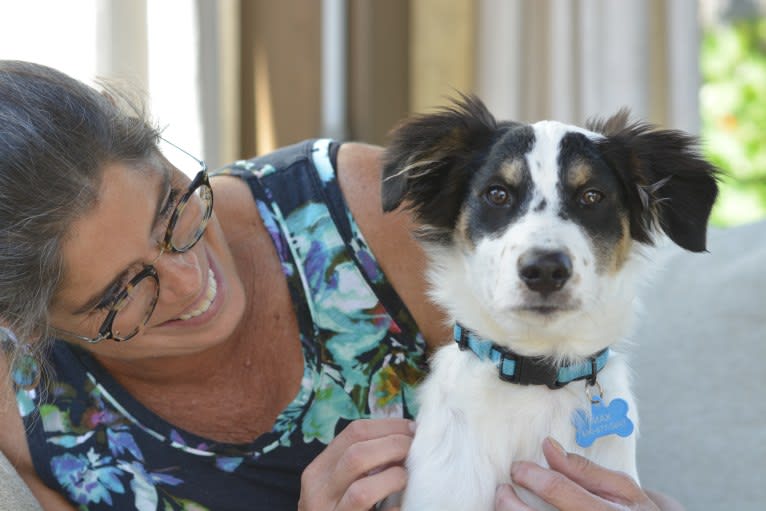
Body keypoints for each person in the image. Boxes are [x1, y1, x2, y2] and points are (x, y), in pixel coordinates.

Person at [0, 60, 681, 511]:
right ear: (32, 327)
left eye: (174, 208)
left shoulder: (365, 212)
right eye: (125, 292)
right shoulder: (38, 420)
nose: (187, 279)